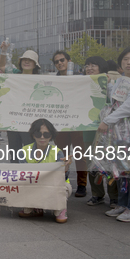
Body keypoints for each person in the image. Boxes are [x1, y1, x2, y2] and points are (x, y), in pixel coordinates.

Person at [94, 48, 130, 222]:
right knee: (118, 168)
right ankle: (122, 204)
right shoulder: (120, 81)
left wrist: (107, 121)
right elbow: (113, 100)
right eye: (125, 59)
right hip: (117, 130)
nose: (129, 62)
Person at [18, 119, 72, 223]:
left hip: (54, 185)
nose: (42, 137)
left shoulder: (58, 152)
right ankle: (36, 207)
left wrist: (66, 166)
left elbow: (63, 178)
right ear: (33, 135)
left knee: (64, 187)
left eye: (46, 134)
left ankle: (60, 208)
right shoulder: (23, 151)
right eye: (38, 133)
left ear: (51, 136)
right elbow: (22, 175)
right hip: (33, 183)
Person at [82, 56, 118, 208]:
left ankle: (114, 196)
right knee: (92, 162)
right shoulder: (82, 83)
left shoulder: (111, 84)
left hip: (107, 130)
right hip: (89, 128)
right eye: (87, 65)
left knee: (109, 162)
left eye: (94, 65)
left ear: (101, 68)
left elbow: (115, 102)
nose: (89, 68)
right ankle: (97, 194)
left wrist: (108, 84)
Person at [51, 50, 86, 197]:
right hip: (60, 123)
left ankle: (82, 184)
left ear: (68, 61)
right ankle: (62, 180)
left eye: (62, 60)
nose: (60, 63)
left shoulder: (80, 78)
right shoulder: (53, 81)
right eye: (57, 61)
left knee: (79, 154)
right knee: (61, 154)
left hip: (77, 121)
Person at [0, 43, 40, 161]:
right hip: (14, 121)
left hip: (30, 122)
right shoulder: (14, 74)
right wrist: (4, 51)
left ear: (35, 64)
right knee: (14, 152)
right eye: (24, 60)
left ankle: (29, 177)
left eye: (29, 60)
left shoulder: (40, 80)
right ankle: (16, 177)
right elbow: (1, 66)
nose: (26, 62)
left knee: (30, 153)